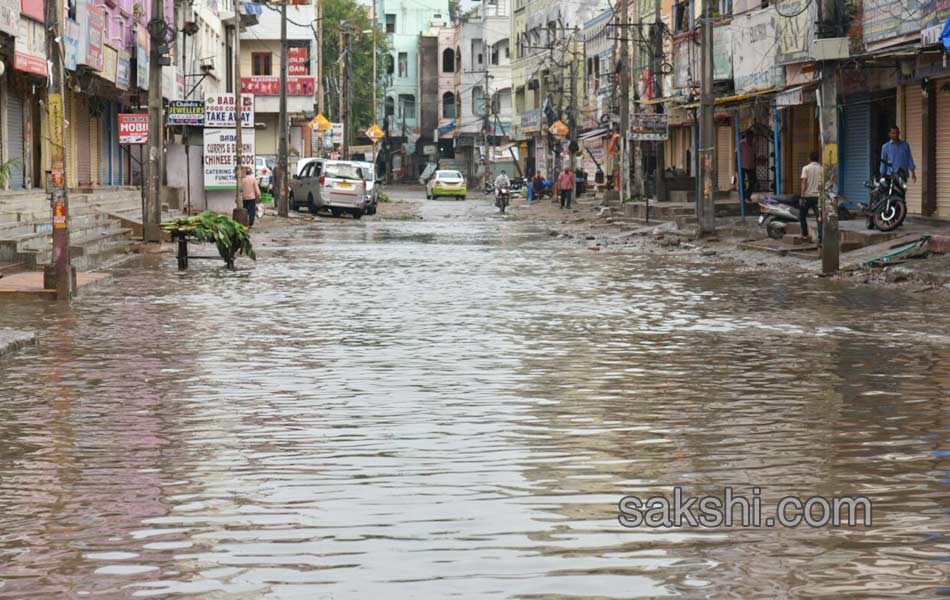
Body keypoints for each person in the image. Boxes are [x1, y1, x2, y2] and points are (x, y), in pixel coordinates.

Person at [799, 151, 823, 245]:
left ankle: (805, 234)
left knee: (802, 216)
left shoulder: (806, 168)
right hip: (818, 197)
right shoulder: (822, 169)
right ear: (818, 158)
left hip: (807, 196)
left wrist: (802, 194)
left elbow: (804, 182)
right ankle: (821, 238)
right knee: (819, 218)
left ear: (809, 158)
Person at [739, 130, 757, 197]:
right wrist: (736, 165)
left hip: (751, 166)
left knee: (753, 181)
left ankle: (747, 194)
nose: (750, 138)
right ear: (746, 137)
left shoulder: (754, 144)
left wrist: (755, 165)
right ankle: (742, 196)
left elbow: (754, 155)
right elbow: (737, 154)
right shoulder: (741, 143)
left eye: (751, 137)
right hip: (742, 166)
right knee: (742, 183)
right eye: (749, 136)